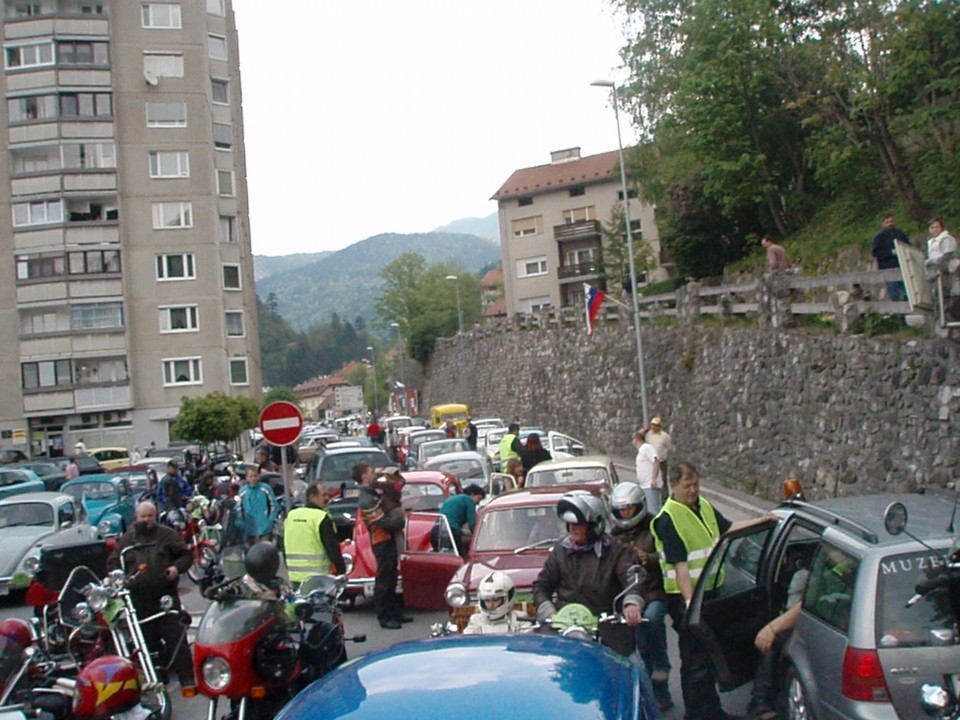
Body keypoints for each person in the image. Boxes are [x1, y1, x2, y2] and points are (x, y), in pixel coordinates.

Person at [652, 462, 775, 720]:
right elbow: (680, 566)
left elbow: (728, 528)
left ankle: (711, 711)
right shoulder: (668, 518)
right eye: (688, 486)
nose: (693, 490)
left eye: (696, 484)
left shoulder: (703, 506)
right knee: (695, 660)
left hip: (709, 594)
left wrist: (761, 521)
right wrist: (689, 604)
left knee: (707, 657)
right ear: (673, 486)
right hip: (687, 600)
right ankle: (698, 714)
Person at [107, 501, 195, 692]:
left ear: (156, 516)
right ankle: (157, 678)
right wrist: (119, 578)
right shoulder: (126, 541)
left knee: (176, 637)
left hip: (165, 597)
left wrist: (175, 568)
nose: (147, 520)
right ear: (135, 518)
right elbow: (113, 564)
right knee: (147, 641)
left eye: (150, 516)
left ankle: (187, 678)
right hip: (138, 599)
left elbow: (186, 555)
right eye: (143, 516)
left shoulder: (166, 535)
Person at [533, 490, 643, 624]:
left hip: (605, 624)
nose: (573, 528)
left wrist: (631, 603)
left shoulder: (615, 550)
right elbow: (541, 585)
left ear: (594, 525)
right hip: (566, 626)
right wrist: (550, 612)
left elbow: (631, 580)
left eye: (579, 523)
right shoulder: (560, 551)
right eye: (570, 524)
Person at [609, 482, 673, 712]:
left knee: (653, 620)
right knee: (635, 641)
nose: (626, 513)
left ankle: (661, 674)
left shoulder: (655, 526)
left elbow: (668, 555)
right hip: (628, 595)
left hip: (653, 589)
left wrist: (649, 559)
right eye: (622, 510)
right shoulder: (613, 537)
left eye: (630, 508)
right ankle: (645, 690)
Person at [354, 462, 409, 629]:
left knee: (391, 577)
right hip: (381, 540)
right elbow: (382, 522)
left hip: (386, 538)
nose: (373, 474)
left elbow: (399, 484)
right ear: (363, 476)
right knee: (384, 579)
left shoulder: (372, 491)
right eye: (370, 471)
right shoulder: (367, 498)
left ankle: (395, 612)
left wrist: (383, 474)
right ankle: (384, 616)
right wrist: (399, 523)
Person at [283, 484, 345, 587]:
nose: (327, 498)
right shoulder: (320, 518)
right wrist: (341, 572)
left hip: (296, 578)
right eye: (324, 495)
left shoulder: (291, 516)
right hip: (319, 579)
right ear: (312, 497)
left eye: (328, 495)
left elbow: (283, 546)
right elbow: (333, 549)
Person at [462, 571, 531, 635]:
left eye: (495, 600)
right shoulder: (476, 621)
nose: (491, 605)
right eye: (487, 600)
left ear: (508, 598)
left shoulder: (520, 620)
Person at [438, 484, 486, 557]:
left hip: (439, 529)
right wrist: (479, 537)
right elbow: (472, 524)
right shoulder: (469, 500)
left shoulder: (454, 499)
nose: (478, 503)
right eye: (479, 499)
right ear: (473, 494)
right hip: (452, 531)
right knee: (461, 555)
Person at [871, 214, 911, 301]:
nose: (890, 224)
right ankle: (898, 313)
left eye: (891, 221)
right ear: (883, 224)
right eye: (887, 222)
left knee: (907, 292)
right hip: (888, 268)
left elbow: (909, 247)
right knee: (893, 294)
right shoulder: (879, 237)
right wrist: (890, 252)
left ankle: (908, 312)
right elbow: (875, 252)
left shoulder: (901, 234)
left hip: (902, 267)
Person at [239, 467, 277, 546]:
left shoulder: (266, 489)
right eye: (251, 476)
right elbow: (239, 509)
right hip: (249, 530)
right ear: (246, 478)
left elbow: (274, 505)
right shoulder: (243, 491)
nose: (253, 478)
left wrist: (270, 521)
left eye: (255, 476)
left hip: (264, 528)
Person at [644, 417, 674, 503]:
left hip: (661, 461)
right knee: (651, 479)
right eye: (653, 425)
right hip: (650, 462)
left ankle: (665, 499)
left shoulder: (665, 436)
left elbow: (669, 447)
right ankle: (653, 497)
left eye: (656, 425)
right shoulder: (648, 435)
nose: (654, 427)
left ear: (660, 426)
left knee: (663, 480)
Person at [632, 430, 662, 514]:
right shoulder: (641, 450)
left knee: (653, 510)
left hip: (650, 485)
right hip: (644, 485)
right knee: (647, 510)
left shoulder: (647, 448)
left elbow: (655, 461)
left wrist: (654, 479)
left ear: (636, 439)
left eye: (633, 439)